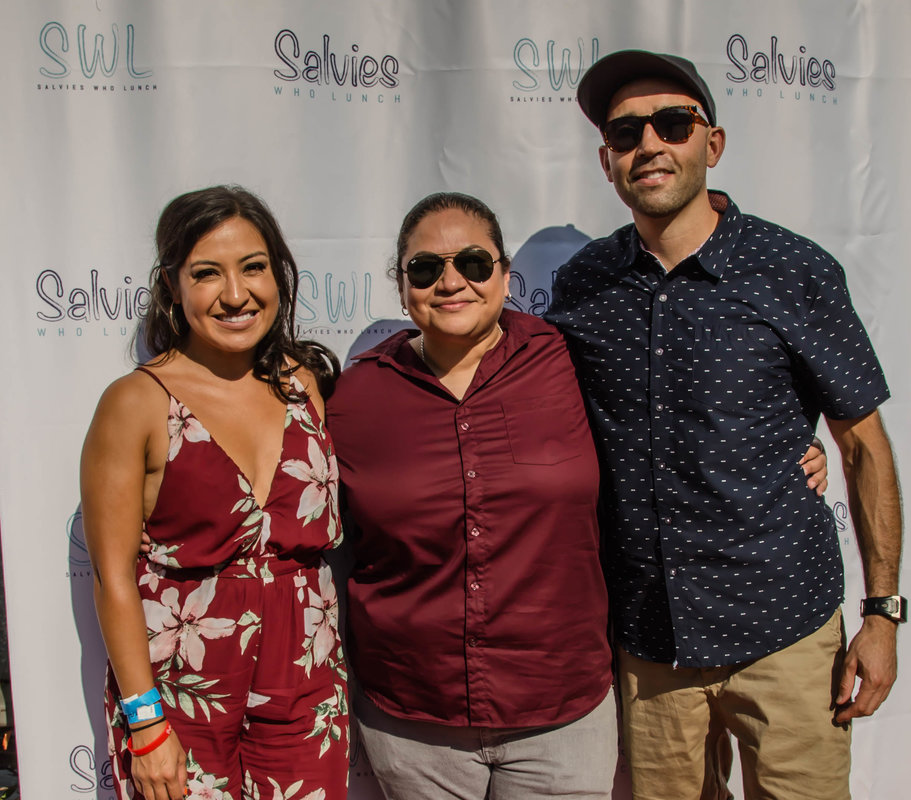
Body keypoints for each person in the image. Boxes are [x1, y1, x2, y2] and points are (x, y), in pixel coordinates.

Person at [545, 51, 905, 800]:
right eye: (626, 131)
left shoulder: (792, 270)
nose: (649, 144)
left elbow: (864, 445)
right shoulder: (584, 286)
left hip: (788, 630)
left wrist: (882, 615)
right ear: (606, 159)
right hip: (651, 648)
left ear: (712, 144)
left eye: (672, 123)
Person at [326, 192, 619, 800]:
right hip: (412, 720)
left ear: (506, 275)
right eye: (427, 268)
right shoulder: (353, 398)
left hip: (562, 714)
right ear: (403, 287)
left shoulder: (569, 361)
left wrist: (789, 445)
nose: (451, 281)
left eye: (474, 263)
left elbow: (667, 424)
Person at [81, 186, 349, 800]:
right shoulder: (136, 403)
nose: (235, 294)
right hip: (180, 694)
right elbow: (113, 576)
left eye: (253, 268)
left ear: (277, 275)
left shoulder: (301, 385)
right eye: (207, 273)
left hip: (307, 682)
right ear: (173, 285)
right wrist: (145, 723)